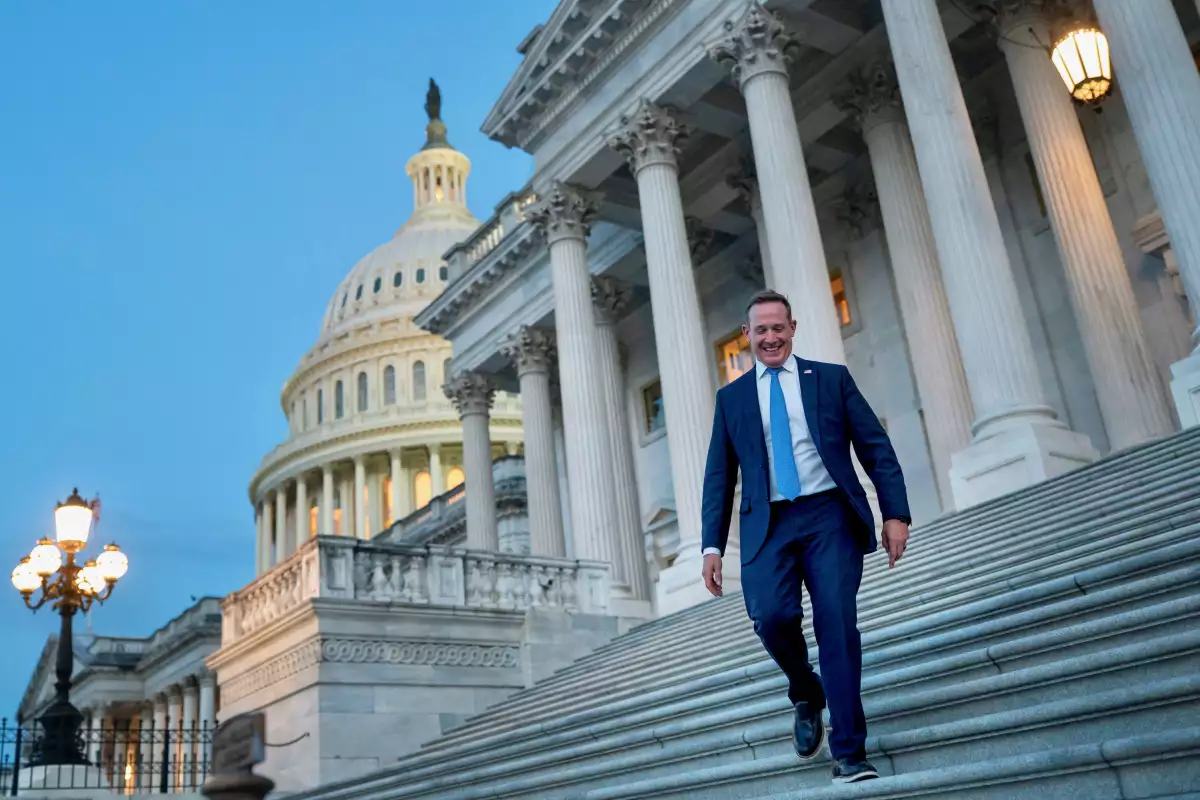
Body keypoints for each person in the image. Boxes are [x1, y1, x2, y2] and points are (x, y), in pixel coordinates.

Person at [700, 289, 911, 784]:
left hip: (828, 516)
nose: (770, 337)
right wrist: (711, 544)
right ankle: (805, 691)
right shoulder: (731, 399)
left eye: (779, 327)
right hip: (767, 525)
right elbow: (717, 475)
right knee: (772, 618)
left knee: (837, 625)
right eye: (761, 330)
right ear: (746, 337)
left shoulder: (830, 379)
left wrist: (894, 512)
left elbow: (875, 447)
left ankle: (850, 753)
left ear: (792, 329)